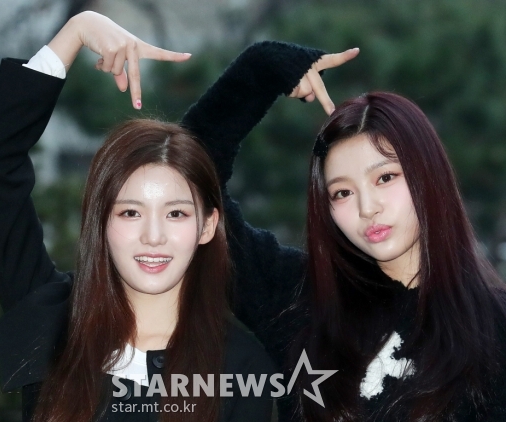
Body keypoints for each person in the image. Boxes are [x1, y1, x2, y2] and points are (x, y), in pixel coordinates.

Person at [0, 11, 337, 422]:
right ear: (101, 222)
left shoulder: (241, 366)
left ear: (207, 226)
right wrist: (76, 30)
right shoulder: (52, 320)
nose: (153, 236)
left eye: (175, 213)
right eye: (130, 212)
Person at [182, 46, 506, 420]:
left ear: (428, 175)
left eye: (385, 177)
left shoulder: (494, 328)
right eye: (342, 193)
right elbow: (185, 185)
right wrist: (261, 70)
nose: (367, 208)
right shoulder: (298, 300)